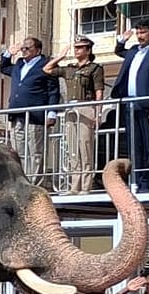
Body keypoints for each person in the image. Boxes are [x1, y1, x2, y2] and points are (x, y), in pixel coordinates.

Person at [110, 19, 149, 193]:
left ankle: (146, 181)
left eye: (143, 32)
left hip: (146, 103)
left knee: (146, 143)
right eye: (138, 33)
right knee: (132, 143)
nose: (140, 36)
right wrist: (122, 39)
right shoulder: (133, 51)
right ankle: (134, 178)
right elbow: (118, 51)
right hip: (129, 103)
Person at [43, 35, 105, 195]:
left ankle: (85, 186)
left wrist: (98, 114)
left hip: (86, 106)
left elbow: (99, 92)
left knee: (85, 146)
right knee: (72, 148)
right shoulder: (69, 68)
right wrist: (60, 57)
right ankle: (74, 185)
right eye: (76, 47)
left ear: (88, 50)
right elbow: (47, 69)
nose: (76, 50)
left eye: (80, 47)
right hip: (71, 109)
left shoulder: (95, 68)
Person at [0, 37, 60, 188]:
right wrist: (8, 53)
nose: (23, 51)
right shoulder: (19, 64)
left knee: (35, 152)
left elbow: (53, 91)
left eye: (28, 48)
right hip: (17, 115)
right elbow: (3, 67)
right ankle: (20, 183)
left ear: (38, 50)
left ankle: (35, 184)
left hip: (35, 116)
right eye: (23, 48)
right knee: (17, 152)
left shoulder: (46, 65)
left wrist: (52, 113)